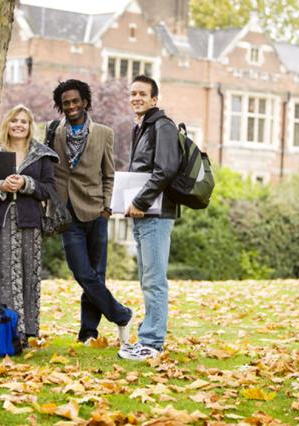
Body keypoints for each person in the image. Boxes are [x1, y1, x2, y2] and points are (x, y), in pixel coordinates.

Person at [51, 79, 132, 345]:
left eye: (75, 101)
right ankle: (121, 314)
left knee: (95, 274)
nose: (72, 106)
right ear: (61, 107)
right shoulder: (54, 132)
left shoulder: (103, 133)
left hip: (96, 210)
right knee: (82, 272)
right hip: (67, 212)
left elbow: (109, 173)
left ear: (85, 101)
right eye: (66, 103)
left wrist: (107, 207)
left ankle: (88, 332)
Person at [0, 104, 58, 349]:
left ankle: (25, 330)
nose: (19, 125)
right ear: (7, 124)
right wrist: (0, 187)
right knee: (0, 275)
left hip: (29, 224)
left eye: (24, 121)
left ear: (30, 126)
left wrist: (26, 183)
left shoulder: (42, 155)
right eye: (14, 121)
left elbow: (49, 189)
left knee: (26, 275)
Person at [118, 75, 181, 361]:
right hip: (143, 213)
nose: (136, 97)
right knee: (147, 279)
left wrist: (139, 201)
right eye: (133, 93)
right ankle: (149, 336)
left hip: (156, 213)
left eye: (142, 93)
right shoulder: (141, 128)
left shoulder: (162, 126)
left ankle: (152, 342)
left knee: (155, 280)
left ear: (154, 99)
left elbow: (165, 170)